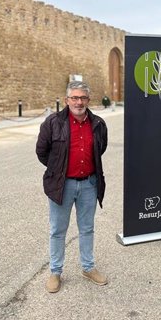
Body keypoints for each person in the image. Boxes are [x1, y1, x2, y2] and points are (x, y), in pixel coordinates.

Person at [36, 81, 108, 293]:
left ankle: (88, 267)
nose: (79, 102)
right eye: (74, 98)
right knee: (58, 230)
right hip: (62, 185)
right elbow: (42, 152)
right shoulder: (53, 123)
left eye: (83, 98)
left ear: (88, 100)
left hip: (89, 184)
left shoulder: (98, 124)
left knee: (87, 228)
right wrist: (58, 170)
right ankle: (55, 272)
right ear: (67, 100)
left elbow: (100, 149)